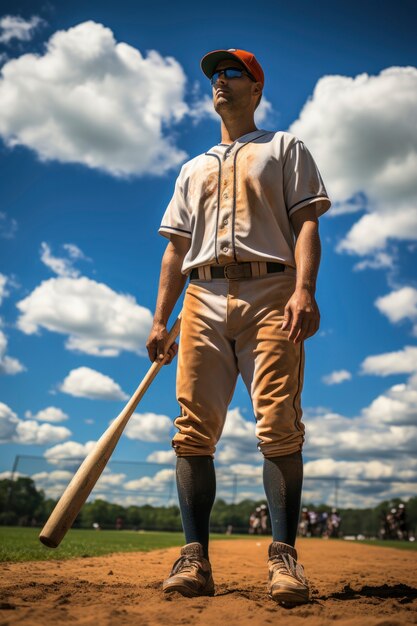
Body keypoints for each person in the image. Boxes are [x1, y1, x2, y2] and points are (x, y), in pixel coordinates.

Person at [146, 48, 331, 605]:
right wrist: (161, 319)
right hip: (200, 296)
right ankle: (194, 558)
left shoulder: (284, 147)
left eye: (233, 73)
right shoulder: (192, 166)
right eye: (214, 76)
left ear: (256, 89)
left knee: (277, 423)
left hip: (272, 291)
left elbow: (305, 225)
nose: (220, 81)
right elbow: (175, 250)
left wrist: (304, 290)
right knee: (192, 429)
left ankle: (283, 560)